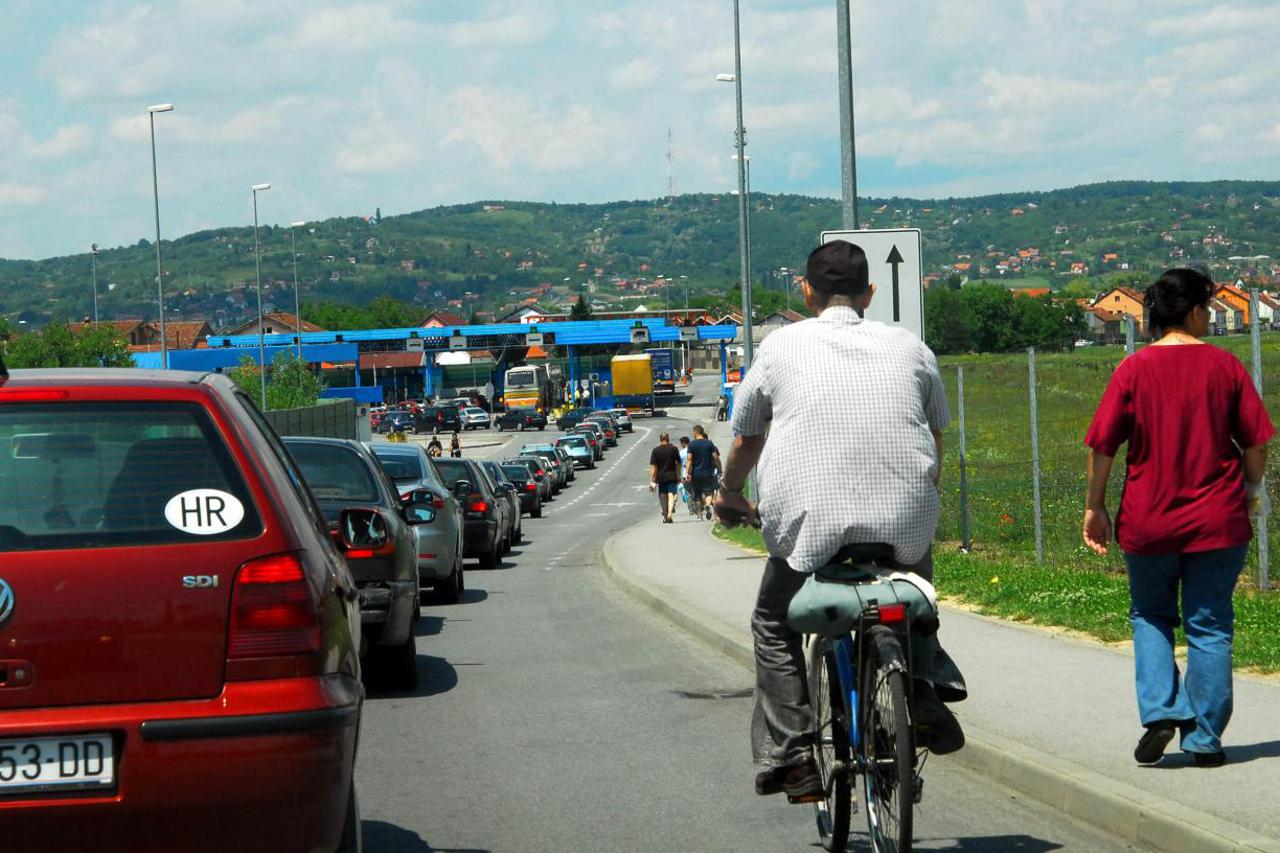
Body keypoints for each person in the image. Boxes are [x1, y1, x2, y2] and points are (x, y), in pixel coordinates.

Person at [716, 240, 966, 803]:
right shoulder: (910, 346)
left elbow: (747, 436)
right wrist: (920, 495)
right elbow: (935, 437)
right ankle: (920, 679)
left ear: (806, 292)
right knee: (914, 586)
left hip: (811, 527)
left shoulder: (780, 346)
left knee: (773, 624)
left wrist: (730, 493)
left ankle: (794, 754)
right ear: (869, 294)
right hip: (902, 520)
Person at [1083, 268, 1273, 769]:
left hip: (1149, 521)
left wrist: (1095, 505)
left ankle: (1162, 711)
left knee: (1150, 615)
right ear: (1193, 312)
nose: (1209, 317)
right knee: (1209, 626)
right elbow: (1256, 441)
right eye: (1208, 308)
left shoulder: (1133, 369)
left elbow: (1103, 446)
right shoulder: (1224, 367)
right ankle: (1205, 739)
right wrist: (1253, 490)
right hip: (1218, 520)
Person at [685, 424, 721, 521]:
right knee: (709, 492)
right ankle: (708, 505)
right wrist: (719, 469)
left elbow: (689, 459)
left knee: (697, 495)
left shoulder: (691, 444)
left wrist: (687, 472)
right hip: (708, 473)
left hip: (695, 473)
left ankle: (699, 515)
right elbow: (715, 457)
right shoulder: (709, 443)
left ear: (696, 432)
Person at [648, 432, 682, 523]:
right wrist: (679, 474)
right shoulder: (674, 449)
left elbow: (653, 467)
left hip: (661, 477)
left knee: (662, 496)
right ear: (668, 439)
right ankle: (670, 514)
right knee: (671, 495)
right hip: (672, 476)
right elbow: (679, 463)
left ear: (660, 439)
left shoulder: (655, 450)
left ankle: (665, 516)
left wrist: (652, 481)